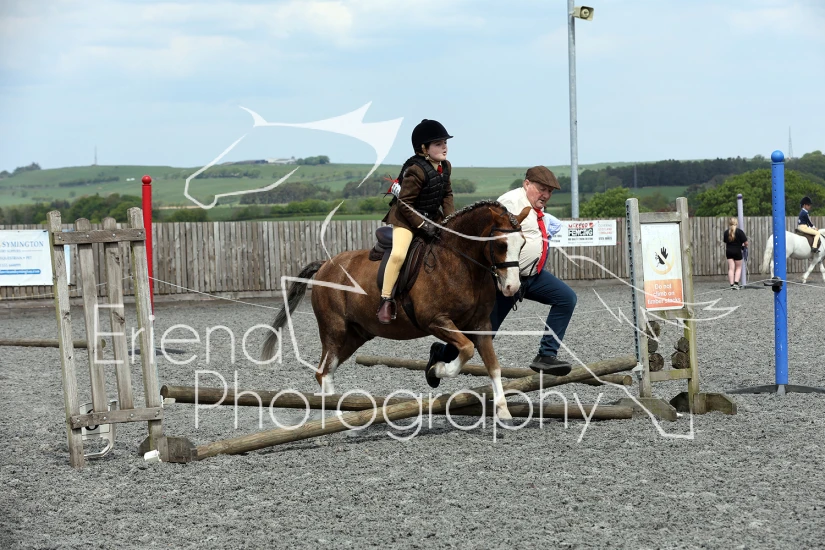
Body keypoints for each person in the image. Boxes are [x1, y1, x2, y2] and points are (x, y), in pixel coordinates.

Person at [425, 166, 577, 385]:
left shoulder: (536, 209)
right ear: (527, 184)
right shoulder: (510, 203)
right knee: (484, 335)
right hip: (504, 279)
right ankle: (441, 353)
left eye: (550, 192)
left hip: (532, 277)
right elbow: (494, 238)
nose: (545, 195)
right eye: (541, 189)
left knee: (566, 298)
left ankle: (546, 355)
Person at [377, 119, 455, 324]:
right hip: (406, 218)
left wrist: (451, 220)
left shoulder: (446, 166)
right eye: (438, 144)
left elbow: (447, 195)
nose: (445, 147)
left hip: (432, 215)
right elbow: (405, 204)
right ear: (424, 148)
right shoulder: (415, 170)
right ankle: (386, 299)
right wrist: (422, 225)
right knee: (398, 254)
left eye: (445, 143)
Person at [723, 217, 748, 289]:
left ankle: (731, 285)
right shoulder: (740, 232)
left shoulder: (726, 232)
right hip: (737, 251)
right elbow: (746, 243)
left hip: (729, 251)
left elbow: (725, 241)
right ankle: (736, 284)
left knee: (731, 268)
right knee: (738, 268)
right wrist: (745, 246)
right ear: (736, 223)